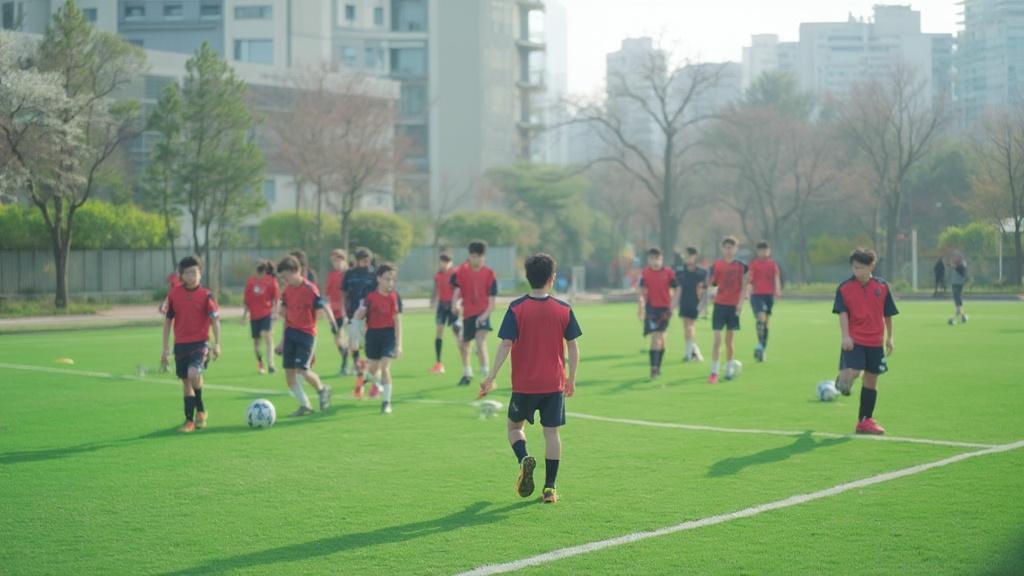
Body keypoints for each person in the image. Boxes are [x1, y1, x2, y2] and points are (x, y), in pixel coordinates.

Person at [479, 253, 582, 505]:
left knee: (514, 428)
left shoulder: (516, 309)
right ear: (552, 278)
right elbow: (573, 347)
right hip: (554, 384)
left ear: (528, 278)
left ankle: (524, 457)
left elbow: (505, 344)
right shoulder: (563, 309)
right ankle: (549, 488)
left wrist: (491, 376)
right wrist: (571, 379)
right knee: (552, 434)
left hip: (524, 385)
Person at [833, 248, 898, 435]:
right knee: (853, 373)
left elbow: (888, 315)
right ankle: (841, 381)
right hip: (854, 340)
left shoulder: (882, 287)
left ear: (871, 266)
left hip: (875, 342)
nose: (857, 272)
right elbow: (843, 314)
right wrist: (845, 336)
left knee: (871, 380)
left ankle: (864, 421)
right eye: (854, 267)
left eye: (861, 268)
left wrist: (890, 338)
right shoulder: (844, 288)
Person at [160, 256, 221, 433]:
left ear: (200, 274)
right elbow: (167, 323)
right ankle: (190, 420)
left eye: (195, 272)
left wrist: (217, 344)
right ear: (181, 275)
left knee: (193, 372)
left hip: (200, 344)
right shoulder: (174, 295)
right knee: (187, 382)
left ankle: (200, 409)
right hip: (181, 345)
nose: (191, 276)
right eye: (187, 273)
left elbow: (215, 321)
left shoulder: (206, 295)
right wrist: (165, 349)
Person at [275, 255, 340, 417]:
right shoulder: (287, 292)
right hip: (290, 334)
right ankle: (305, 405)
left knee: (302, 370)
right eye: (282, 277)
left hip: (306, 335)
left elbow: (324, 305)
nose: (284, 280)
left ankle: (322, 389)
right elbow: (286, 317)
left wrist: (333, 323)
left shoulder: (310, 289)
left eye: (285, 276)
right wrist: (282, 341)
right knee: (289, 376)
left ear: (296, 271)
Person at [355, 264, 403, 414]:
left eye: (392, 280)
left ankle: (386, 403)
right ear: (379, 279)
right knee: (373, 369)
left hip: (388, 335)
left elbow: (397, 321)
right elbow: (359, 317)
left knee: (385, 367)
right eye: (387, 279)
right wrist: (359, 315)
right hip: (372, 335)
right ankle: (366, 377)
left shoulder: (394, 297)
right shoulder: (370, 298)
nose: (390, 283)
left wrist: (399, 345)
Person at [452, 240, 498, 387]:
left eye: (478, 256)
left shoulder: (490, 274)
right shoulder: (462, 272)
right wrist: (455, 304)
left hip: (483, 314)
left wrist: (483, 316)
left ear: (483, 257)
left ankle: (487, 378)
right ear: (469, 256)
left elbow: (492, 303)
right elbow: (457, 291)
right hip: (467, 314)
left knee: (480, 342)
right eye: (472, 256)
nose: (475, 259)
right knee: (464, 345)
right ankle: (467, 373)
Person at [708, 236, 748, 384]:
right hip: (719, 305)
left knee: (729, 340)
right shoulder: (717, 265)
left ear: (736, 249)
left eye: (731, 247)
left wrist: (740, 304)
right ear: (722, 248)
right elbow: (713, 283)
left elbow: (744, 286)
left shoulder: (742, 266)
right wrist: (711, 291)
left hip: (733, 306)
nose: (728, 250)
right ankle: (714, 372)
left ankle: (730, 367)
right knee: (717, 339)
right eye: (726, 247)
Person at [341, 248, 378, 398]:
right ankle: (360, 374)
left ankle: (366, 382)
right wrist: (344, 312)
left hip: (370, 318)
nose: (365, 263)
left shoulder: (374, 274)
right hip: (353, 317)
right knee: (354, 347)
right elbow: (343, 293)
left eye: (368, 260)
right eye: (362, 260)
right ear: (356, 260)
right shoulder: (350, 274)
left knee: (371, 351)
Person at [638, 247, 677, 378]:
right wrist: (641, 306)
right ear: (648, 260)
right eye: (652, 258)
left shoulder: (669, 273)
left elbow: (677, 290)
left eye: (658, 259)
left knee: (661, 340)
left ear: (662, 259)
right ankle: (653, 369)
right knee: (656, 338)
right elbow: (642, 291)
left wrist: (673, 307)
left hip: (665, 310)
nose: (655, 261)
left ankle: (658, 366)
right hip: (651, 309)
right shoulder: (645, 273)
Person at [241, 260, 279, 374]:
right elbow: (247, 302)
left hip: (266, 314)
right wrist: (244, 316)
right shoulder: (251, 282)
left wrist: (275, 312)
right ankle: (261, 364)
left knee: (267, 336)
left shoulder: (272, 281)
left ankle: (271, 364)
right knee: (257, 345)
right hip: (254, 317)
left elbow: (276, 299)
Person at [747, 240, 782, 362]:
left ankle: (762, 346)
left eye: (766, 250)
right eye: (761, 250)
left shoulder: (772, 264)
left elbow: (776, 277)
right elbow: (749, 279)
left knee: (766, 323)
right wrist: (747, 291)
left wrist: (777, 290)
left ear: (769, 251)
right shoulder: (754, 264)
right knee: (761, 317)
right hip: (757, 295)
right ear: (758, 252)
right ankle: (760, 346)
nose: (764, 252)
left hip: (768, 296)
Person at [430, 253, 461, 374]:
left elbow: (459, 290)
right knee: (439, 331)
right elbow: (436, 288)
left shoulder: (455, 274)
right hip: (442, 306)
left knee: (457, 332)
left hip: (452, 306)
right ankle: (438, 363)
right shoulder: (438, 275)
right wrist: (433, 299)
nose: (445, 264)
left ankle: (465, 357)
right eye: (443, 261)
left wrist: (457, 304)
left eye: (447, 261)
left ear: (451, 262)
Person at [674, 247, 707, 363]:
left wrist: (703, 305)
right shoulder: (679, 271)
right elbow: (677, 288)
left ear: (694, 256)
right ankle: (693, 351)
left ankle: (690, 352)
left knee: (690, 326)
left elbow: (704, 289)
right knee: (686, 327)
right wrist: (675, 303)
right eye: (684, 256)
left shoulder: (701, 272)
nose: (686, 258)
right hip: (683, 302)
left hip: (695, 302)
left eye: (688, 255)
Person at [325, 249, 350, 375]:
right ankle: (348, 361)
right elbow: (328, 294)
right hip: (334, 313)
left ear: (344, 260)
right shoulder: (332, 275)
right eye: (333, 261)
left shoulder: (349, 274)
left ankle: (345, 366)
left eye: (338, 260)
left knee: (341, 337)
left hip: (347, 312)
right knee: (337, 340)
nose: (336, 263)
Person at [949, 256, 969, 325]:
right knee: (958, 298)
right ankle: (962, 315)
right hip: (958, 284)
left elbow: (954, 266)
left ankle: (959, 314)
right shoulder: (962, 267)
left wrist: (952, 263)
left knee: (957, 298)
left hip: (956, 284)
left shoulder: (960, 267)